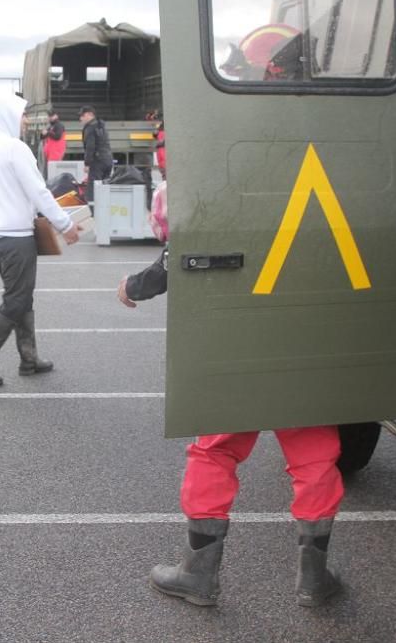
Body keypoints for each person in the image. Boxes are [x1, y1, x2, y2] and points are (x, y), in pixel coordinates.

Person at [117, 185, 344, 609]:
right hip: (306, 336)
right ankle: (314, 578)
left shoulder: (222, 167)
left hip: (239, 341)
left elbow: (181, 246)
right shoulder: (322, 171)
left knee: (215, 451)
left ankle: (198, 575)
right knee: (315, 455)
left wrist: (136, 285)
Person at [0, 93, 80, 387]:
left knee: (21, 296)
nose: (25, 120)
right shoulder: (15, 149)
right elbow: (38, 192)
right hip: (15, 237)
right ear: (9, 116)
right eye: (22, 114)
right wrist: (65, 223)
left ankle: (29, 359)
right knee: (16, 300)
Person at [78, 105, 113, 203]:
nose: (81, 118)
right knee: (105, 187)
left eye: (82, 116)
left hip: (97, 162)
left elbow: (90, 147)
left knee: (93, 189)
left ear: (90, 115)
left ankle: (93, 212)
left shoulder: (90, 128)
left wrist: (87, 164)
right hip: (108, 160)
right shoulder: (101, 125)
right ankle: (105, 208)